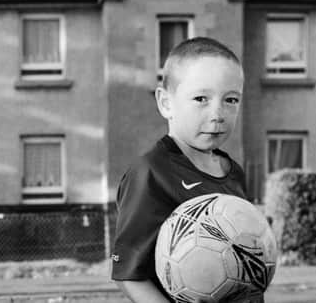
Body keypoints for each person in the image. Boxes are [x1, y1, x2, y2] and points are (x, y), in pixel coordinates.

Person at [111, 36, 260, 302]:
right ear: (166, 103)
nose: (218, 113)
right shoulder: (150, 173)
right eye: (201, 98)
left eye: (231, 100)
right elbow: (130, 276)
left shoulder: (233, 172)